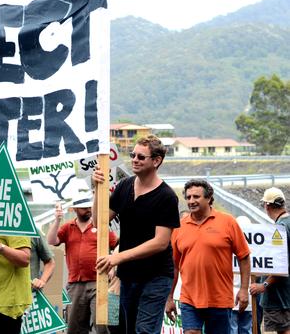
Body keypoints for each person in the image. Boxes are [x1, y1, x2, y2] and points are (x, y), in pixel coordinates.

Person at [92, 134, 180, 333]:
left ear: (156, 161)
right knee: (130, 329)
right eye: (133, 155)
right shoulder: (125, 186)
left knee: (144, 330)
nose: (134, 159)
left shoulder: (166, 197)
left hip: (156, 276)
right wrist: (98, 190)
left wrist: (118, 257)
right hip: (129, 275)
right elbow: (99, 222)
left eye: (141, 157)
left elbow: (160, 242)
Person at [165, 179, 251, 334]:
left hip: (219, 298)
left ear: (209, 198)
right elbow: (174, 267)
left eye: (196, 197)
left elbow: (243, 257)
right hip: (189, 299)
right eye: (188, 197)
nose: (191, 201)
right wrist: (169, 297)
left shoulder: (228, 222)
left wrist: (244, 289)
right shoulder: (179, 227)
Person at [47, 193, 118, 334]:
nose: (88, 210)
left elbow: (117, 244)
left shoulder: (99, 227)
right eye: (83, 208)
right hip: (75, 284)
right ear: (74, 209)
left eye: (89, 207)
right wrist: (57, 220)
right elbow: (51, 240)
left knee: (102, 324)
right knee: (75, 326)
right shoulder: (68, 227)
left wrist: (112, 264)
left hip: (99, 281)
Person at [249, 187, 290, 334]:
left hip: (279, 295)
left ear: (267, 205)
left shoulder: (279, 228)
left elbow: (281, 265)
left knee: (284, 330)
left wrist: (264, 285)